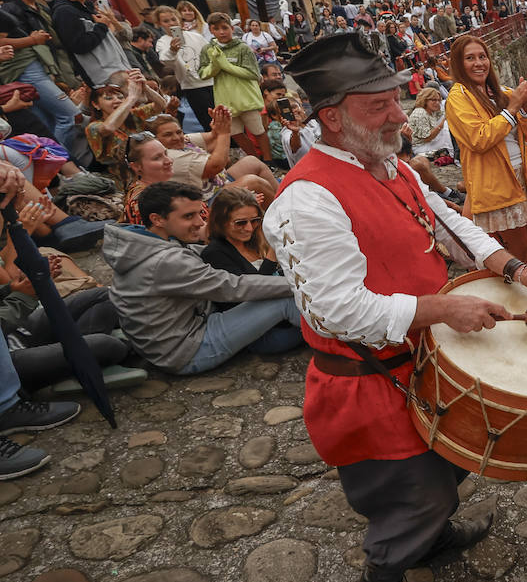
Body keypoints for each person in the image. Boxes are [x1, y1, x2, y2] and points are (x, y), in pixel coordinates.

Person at [263, 33, 527, 582]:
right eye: (380, 106)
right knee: (412, 493)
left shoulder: (390, 164)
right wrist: (442, 307)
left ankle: (430, 533)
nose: (401, 114)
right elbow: (336, 310)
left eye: (395, 99)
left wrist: (513, 269)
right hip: (369, 379)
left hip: (425, 361)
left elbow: (446, 219)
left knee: (451, 460)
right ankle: (382, 581)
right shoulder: (305, 200)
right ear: (332, 116)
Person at [104, 181, 302, 375]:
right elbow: (232, 287)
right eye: (189, 216)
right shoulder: (165, 261)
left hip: (178, 338)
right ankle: (330, 341)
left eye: (200, 213)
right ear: (157, 219)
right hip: (185, 352)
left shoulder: (145, 243)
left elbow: (198, 255)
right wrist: (301, 284)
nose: (200, 222)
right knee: (283, 301)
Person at [0, 160, 81, 479]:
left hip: (16, 330)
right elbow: (9, 280)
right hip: (17, 332)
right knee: (104, 346)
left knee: (102, 302)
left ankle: (7, 407)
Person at [444, 35, 527, 262]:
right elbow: (479, 139)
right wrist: (513, 108)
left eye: (482, 56)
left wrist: (525, 106)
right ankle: (518, 291)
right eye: (470, 58)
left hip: (521, 177)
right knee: (518, 251)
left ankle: (525, 289)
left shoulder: (502, 92)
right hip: (495, 183)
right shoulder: (458, 97)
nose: (479, 63)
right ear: (459, 64)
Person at [0, 0, 82, 151]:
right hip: (25, 68)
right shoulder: (10, 8)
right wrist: (31, 40)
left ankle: (56, 166)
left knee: (45, 123)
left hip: (38, 66)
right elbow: (1, 41)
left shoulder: (37, 8)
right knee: (69, 116)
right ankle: (62, 162)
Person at [147, 110, 278, 207]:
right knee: (253, 181)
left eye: (178, 132)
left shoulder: (183, 141)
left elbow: (213, 138)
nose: (176, 137)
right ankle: (281, 216)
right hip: (207, 200)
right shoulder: (168, 155)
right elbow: (217, 165)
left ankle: (283, 197)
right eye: (168, 135)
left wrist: (221, 120)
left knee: (251, 161)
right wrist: (224, 132)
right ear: (156, 140)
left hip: (220, 184)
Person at [199, 12, 270, 157]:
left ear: (232, 28)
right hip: (225, 100)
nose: (221, 32)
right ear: (211, 30)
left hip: (246, 98)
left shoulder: (242, 48)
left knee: (258, 131)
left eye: (225, 28)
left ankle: (269, 161)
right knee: (236, 134)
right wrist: (214, 66)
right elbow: (202, 74)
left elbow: (253, 74)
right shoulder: (207, 49)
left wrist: (225, 65)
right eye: (216, 29)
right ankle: (256, 160)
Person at [49, 0, 130, 88]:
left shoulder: (89, 6)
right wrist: (102, 26)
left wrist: (109, 21)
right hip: (103, 78)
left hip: (121, 68)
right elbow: (79, 45)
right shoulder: (64, 11)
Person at [83, 73, 168, 184]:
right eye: (109, 98)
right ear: (96, 105)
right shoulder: (93, 127)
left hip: (149, 170)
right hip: (121, 180)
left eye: (120, 97)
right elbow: (108, 128)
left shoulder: (133, 115)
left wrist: (145, 87)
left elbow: (161, 105)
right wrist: (131, 98)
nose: (117, 100)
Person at [153, 4, 213, 130]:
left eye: (173, 19)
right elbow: (165, 60)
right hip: (192, 86)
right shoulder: (163, 41)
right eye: (166, 21)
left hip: (212, 81)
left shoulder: (195, 36)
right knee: (208, 122)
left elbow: (211, 53)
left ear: (179, 19)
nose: (171, 23)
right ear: (159, 24)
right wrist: (172, 50)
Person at [407, 86, 453, 158]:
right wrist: (441, 125)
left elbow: (446, 113)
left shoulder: (431, 111)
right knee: (446, 130)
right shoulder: (420, 113)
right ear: (425, 100)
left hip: (429, 142)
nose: (437, 103)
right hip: (420, 147)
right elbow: (427, 138)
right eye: (433, 100)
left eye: (438, 100)